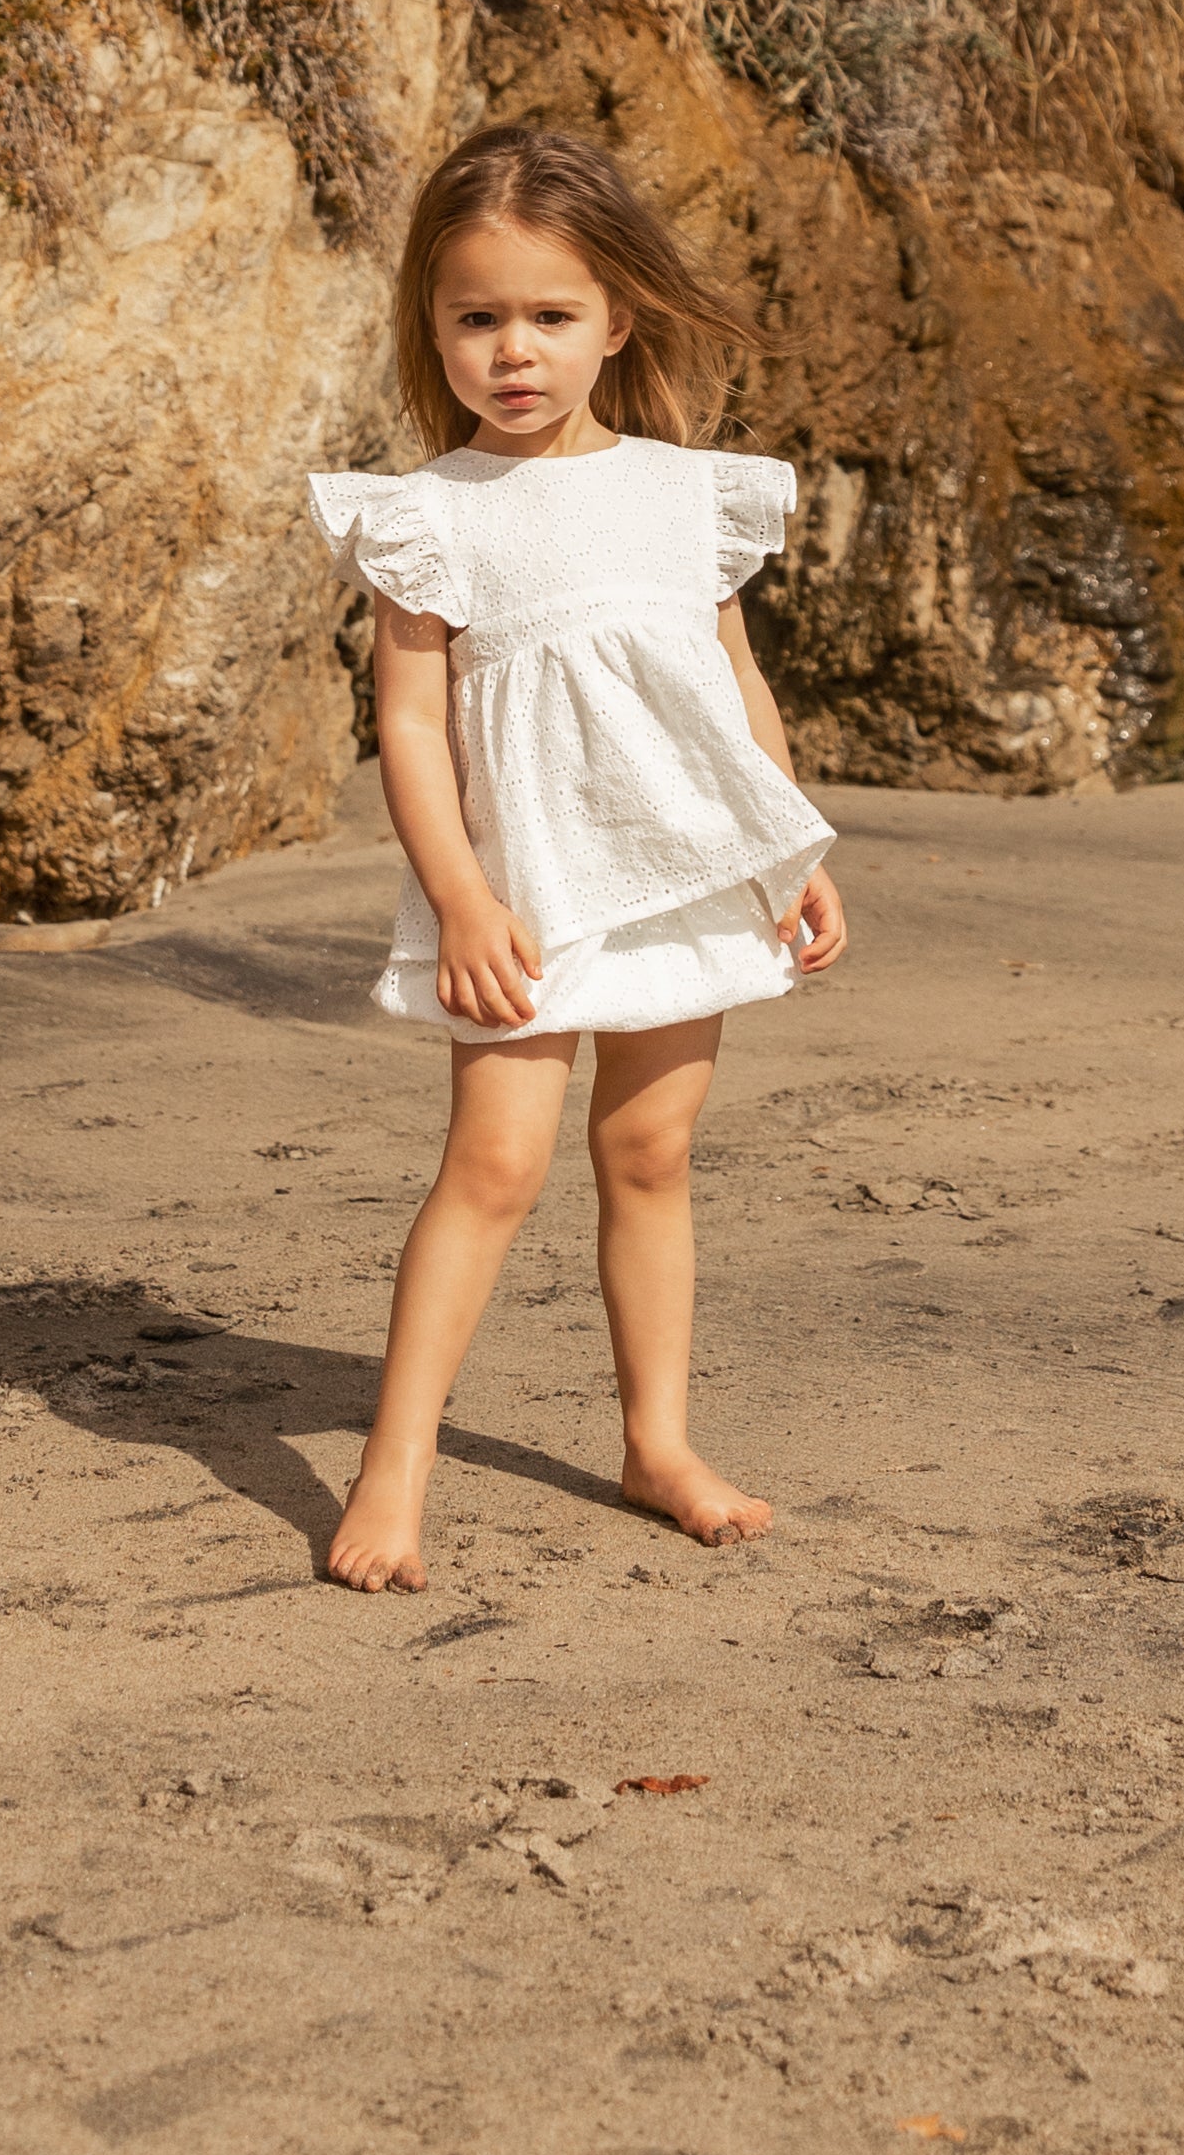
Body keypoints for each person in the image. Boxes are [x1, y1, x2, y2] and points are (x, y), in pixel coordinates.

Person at [305, 121, 847, 1592]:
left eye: (549, 317)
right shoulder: (428, 519)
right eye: (478, 320)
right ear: (435, 327)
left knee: (651, 1151)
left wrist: (790, 849)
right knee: (492, 1163)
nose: (514, 352)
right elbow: (410, 730)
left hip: (683, 859)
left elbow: (732, 689)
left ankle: (655, 1439)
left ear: (617, 319)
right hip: (526, 892)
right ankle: (395, 1466)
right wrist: (463, 897)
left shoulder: (687, 491)